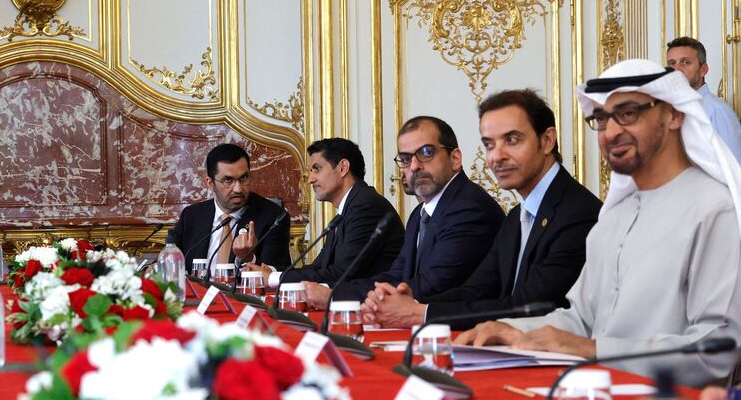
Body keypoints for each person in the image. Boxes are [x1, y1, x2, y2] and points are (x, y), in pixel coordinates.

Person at [455, 59, 741, 386]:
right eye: (602, 119)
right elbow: (579, 318)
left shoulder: (714, 208)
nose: (612, 131)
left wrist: (593, 350)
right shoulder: (614, 216)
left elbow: (718, 351)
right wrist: (509, 330)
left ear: (673, 114)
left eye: (628, 113)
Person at [362, 90, 601, 329]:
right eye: (489, 144)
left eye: (512, 140)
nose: (497, 156)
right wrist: (411, 305)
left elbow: (529, 305)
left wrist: (419, 314)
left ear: (547, 140)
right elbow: (477, 289)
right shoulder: (517, 215)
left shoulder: (578, 213)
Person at [314, 116, 504, 310]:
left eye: (426, 152)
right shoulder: (418, 215)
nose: (414, 166)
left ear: (455, 159)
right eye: (406, 159)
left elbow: (434, 284)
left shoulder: (468, 208)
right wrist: (336, 292)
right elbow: (396, 274)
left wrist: (335, 296)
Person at [245, 138, 405, 291]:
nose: (311, 180)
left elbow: (342, 273)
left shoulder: (366, 206)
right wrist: (269, 271)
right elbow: (318, 267)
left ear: (343, 168)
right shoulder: (351, 206)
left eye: (317, 169)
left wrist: (274, 278)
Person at [170, 143, 292, 272]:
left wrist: (247, 259)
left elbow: (275, 274)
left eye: (244, 178)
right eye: (228, 180)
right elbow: (169, 258)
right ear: (210, 183)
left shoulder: (273, 217)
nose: (238, 189)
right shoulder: (192, 216)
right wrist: (152, 268)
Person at [666, 37, 741, 162]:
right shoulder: (667, 109)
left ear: (703, 70)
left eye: (685, 62)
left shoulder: (717, 111)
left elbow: (736, 167)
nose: (677, 70)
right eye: (672, 63)